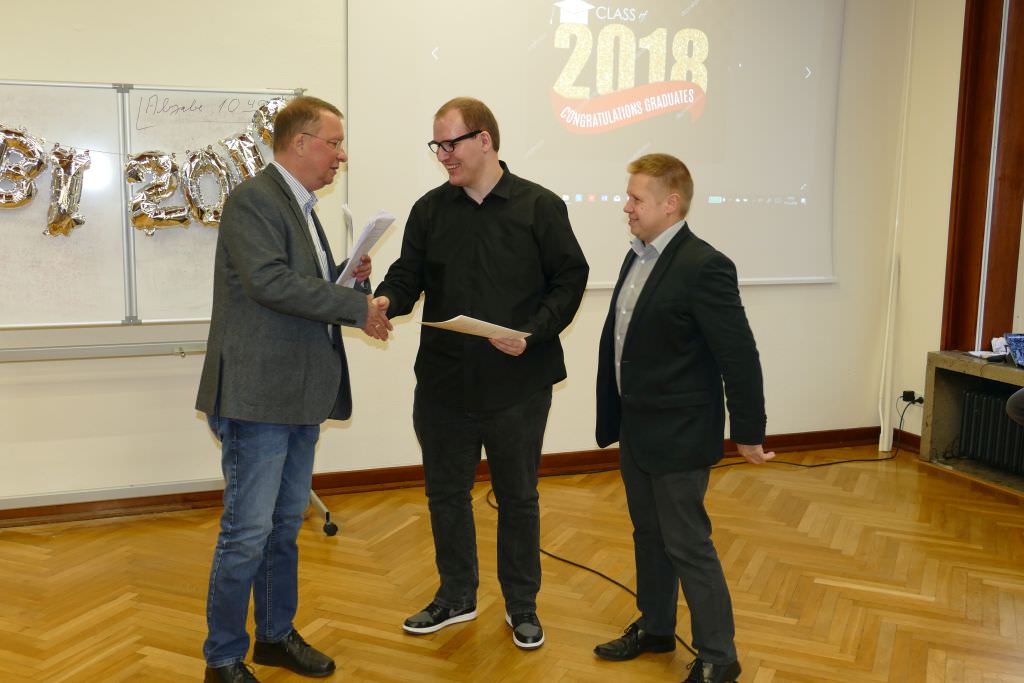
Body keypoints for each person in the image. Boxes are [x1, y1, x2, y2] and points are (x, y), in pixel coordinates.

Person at [374, 97, 589, 649]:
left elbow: (570, 279)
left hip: (518, 383)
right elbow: (407, 275)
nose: (443, 155)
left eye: (452, 143)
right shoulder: (429, 210)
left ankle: (522, 605)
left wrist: (533, 332)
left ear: (485, 140)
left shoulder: (540, 206)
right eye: (437, 146)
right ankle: (456, 596)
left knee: (518, 497)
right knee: (446, 494)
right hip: (444, 383)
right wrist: (385, 300)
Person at [195, 95, 392, 683]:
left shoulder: (300, 205)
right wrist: (355, 307)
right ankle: (222, 659)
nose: (341, 156)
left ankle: (275, 636)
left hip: (299, 394)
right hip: (258, 397)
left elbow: (301, 286)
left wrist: (349, 278)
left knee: (283, 527)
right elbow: (269, 283)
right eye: (334, 143)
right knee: (247, 534)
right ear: (300, 143)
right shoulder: (254, 199)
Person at [592, 154, 774, 683]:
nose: (626, 207)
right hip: (637, 426)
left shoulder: (704, 266)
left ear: (670, 204)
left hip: (679, 433)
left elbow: (738, 354)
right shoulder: (637, 257)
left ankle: (720, 656)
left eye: (636, 199)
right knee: (648, 535)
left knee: (687, 544)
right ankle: (655, 628)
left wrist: (748, 432)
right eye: (628, 197)